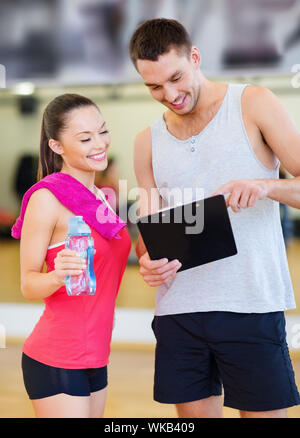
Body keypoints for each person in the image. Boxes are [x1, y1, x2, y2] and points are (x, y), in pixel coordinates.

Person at [129, 18, 300, 418]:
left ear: (195, 57)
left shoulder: (253, 102)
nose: (169, 94)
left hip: (251, 305)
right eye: (154, 86)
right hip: (179, 313)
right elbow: (148, 236)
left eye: (176, 77)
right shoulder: (145, 142)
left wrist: (266, 186)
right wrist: (148, 261)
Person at [11, 93, 131, 418]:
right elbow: (28, 284)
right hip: (56, 358)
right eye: (85, 138)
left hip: (96, 356)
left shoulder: (101, 197)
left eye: (102, 131)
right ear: (57, 146)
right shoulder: (46, 198)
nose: (99, 143)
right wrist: (56, 275)